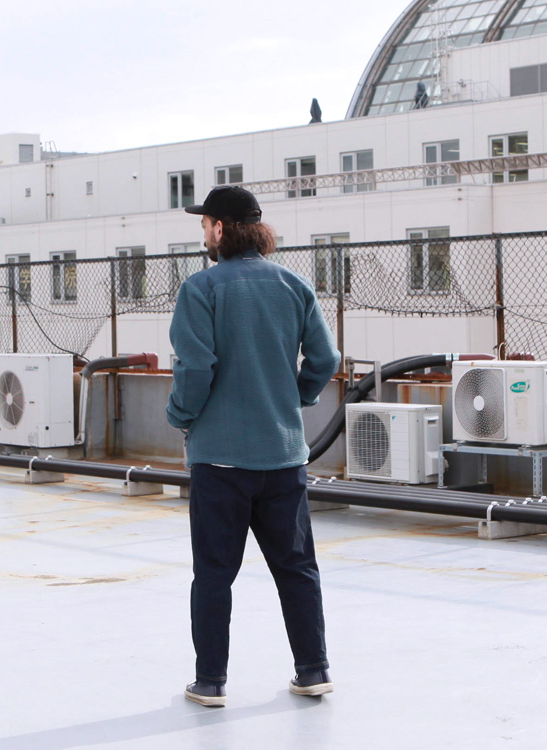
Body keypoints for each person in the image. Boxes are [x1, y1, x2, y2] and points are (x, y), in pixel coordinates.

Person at [166, 185, 341, 707]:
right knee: (297, 568)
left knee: (214, 573)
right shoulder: (294, 285)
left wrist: (180, 416)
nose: (203, 233)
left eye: (205, 224)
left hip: (220, 459)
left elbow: (196, 369)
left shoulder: (201, 289)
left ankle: (211, 682)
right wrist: (296, 396)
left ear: (220, 228)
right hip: (283, 456)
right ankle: (313, 670)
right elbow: (325, 360)